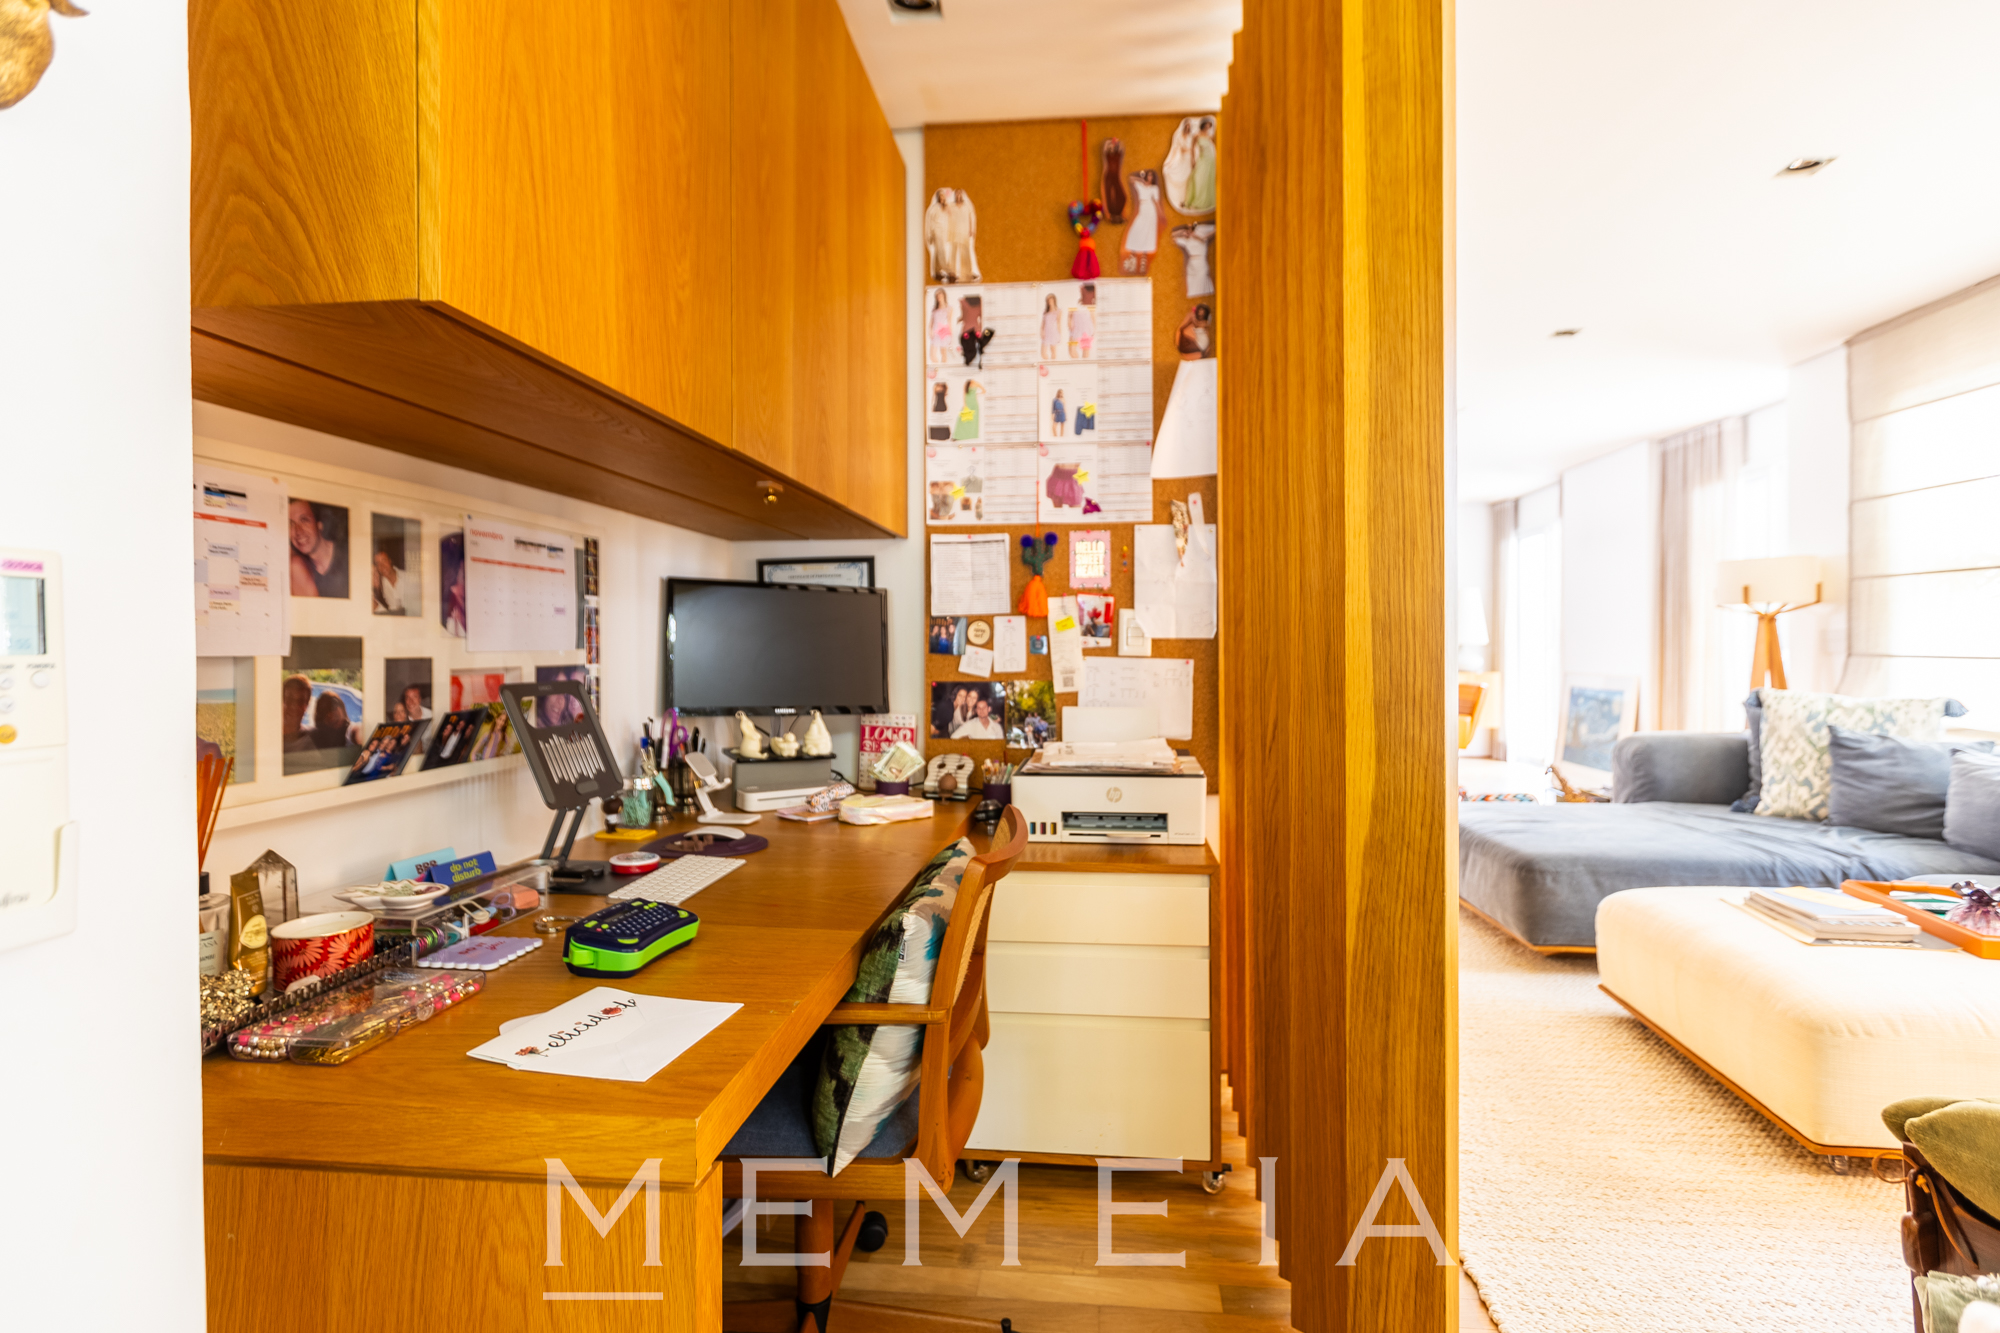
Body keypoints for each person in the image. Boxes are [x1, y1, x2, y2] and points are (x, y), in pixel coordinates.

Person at [289, 500, 348, 598]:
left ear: (319, 524)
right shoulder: (300, 569)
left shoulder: (349, 556)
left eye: (304, 520)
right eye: (291, 524)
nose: (298, 531)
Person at [280, 674, 316, 753]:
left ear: (307, 706)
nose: (294, 706)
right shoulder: (264, 737)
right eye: (289, 699)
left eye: (300, 701)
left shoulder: (313, 738)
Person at [371, 548, 408, 614]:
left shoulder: (408, 577)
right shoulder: (380, 585)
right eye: (378, 563)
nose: (382, 566)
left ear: (390, 560)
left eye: (384, 560)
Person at [928, 287, 953, 365]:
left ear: (944, 295)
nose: (938, 296)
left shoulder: (949, 308)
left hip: (944, 333)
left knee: (944, 354)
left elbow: (949, 322)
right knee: (932, 355)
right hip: (935, 332)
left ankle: (943, 370)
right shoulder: (934, 309)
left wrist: (951, 335)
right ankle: (938, 368)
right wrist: (930, 331)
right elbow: (931, 322)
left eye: (940, 294)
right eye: (937, 295)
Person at [1039, 293, 1060, 360]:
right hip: (1046, 332)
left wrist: (1059, 335)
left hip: (1053, 332)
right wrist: (1041, 332)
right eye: (1048, 300)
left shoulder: (1058, 311)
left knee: (1053, 351)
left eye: (1051, 300)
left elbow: (1059, 323)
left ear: (1054, 300)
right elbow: (1043, 323)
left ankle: (1053, 364)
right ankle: (1047, 362)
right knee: (1043, 353)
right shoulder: (1045, 312)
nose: (1050, 302)